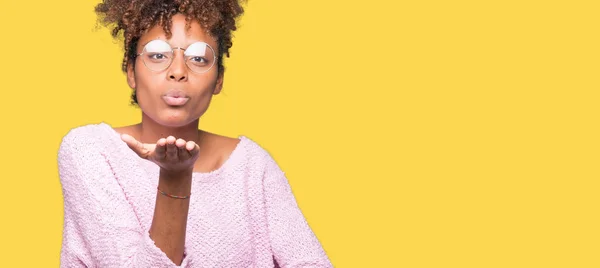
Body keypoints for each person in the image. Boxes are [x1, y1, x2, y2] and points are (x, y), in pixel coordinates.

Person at [57, 0, 332, 267]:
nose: (178, 71)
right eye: (157, 55)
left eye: (198, 58)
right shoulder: (91, 151)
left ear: (219, 80)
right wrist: (174, 178)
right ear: (131, 71)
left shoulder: (251, 165)